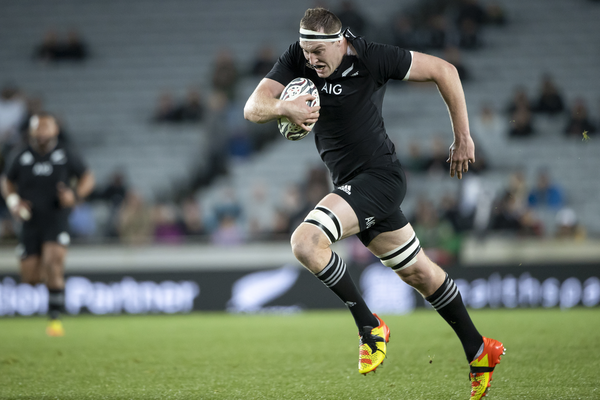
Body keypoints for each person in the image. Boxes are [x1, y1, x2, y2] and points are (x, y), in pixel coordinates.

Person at [243, 8, 503, 399]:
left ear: (339, 42)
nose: (310, 60)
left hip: (380, 179)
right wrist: (284, 107)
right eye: (305, 50)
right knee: (419, 274)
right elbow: (253, 107)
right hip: (352, 185)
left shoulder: (372, 57)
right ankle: (480, 349)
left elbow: (444, 70)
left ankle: (369, 327)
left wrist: (463, 137)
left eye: (317, 52)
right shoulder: (297, 57)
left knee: (306, 242)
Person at [1, 112, 95, 336]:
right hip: (29, 220)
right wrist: (13, 202)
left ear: (55, 130)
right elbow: (6, 180)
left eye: (46, 128)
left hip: (56, 217)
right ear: (32, 131)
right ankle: (49, 278)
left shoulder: (66, 153)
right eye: (38, 128)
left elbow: (87, 177)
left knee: (54, 261)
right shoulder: (20, 154)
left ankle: (55, 320)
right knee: (30, 278)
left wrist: (75, 195)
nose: (42, 132)